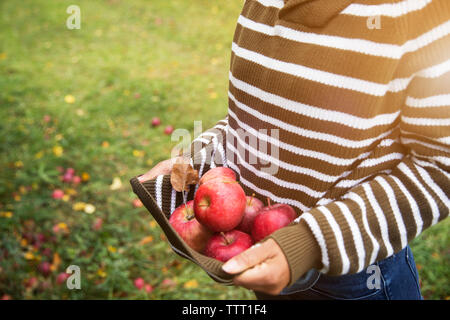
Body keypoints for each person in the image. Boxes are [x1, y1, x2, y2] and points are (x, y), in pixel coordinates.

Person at [139, 0, 449, 300]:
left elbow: (439, 165)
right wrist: (198, 163)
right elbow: (258, 117)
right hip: (260, 254)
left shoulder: (421, 10)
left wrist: (310, 242)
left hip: (356, 278)